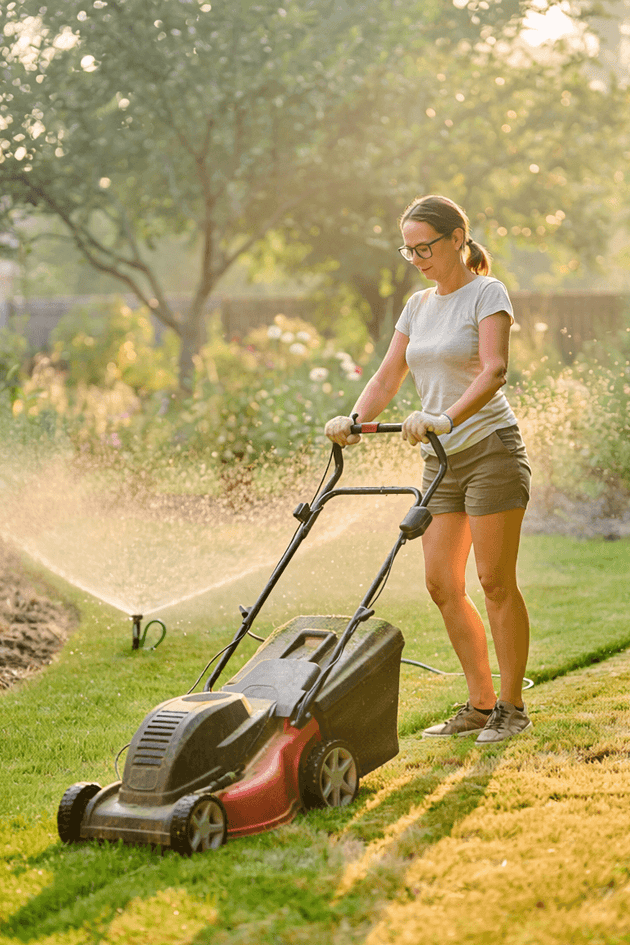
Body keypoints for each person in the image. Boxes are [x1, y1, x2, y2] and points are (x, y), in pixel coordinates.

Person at [325, 194, 532, 745]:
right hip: (439, 463)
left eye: (425, 247)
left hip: (490, 449)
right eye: (408, 249)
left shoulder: (488, 293)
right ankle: (480, 704)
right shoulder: (417, 305)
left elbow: (495, 370)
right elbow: (388, 375)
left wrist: (443, 416)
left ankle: (512, 707)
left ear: (457, 238)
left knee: (494, 581)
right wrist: (353, 419)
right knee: (442, 584)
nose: (417, 258)